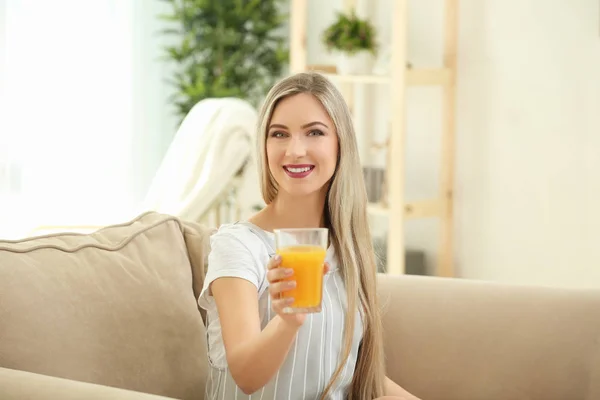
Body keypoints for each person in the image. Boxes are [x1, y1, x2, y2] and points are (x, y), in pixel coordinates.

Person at [198, 72, 421, 400]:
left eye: (314, 132)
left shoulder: (348, 251)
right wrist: (287, 320)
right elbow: (245, 374)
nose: (295, 150)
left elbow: (353, 376)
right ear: (265, 145)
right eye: (279, 134)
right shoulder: (238, 247)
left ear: (340, 143)